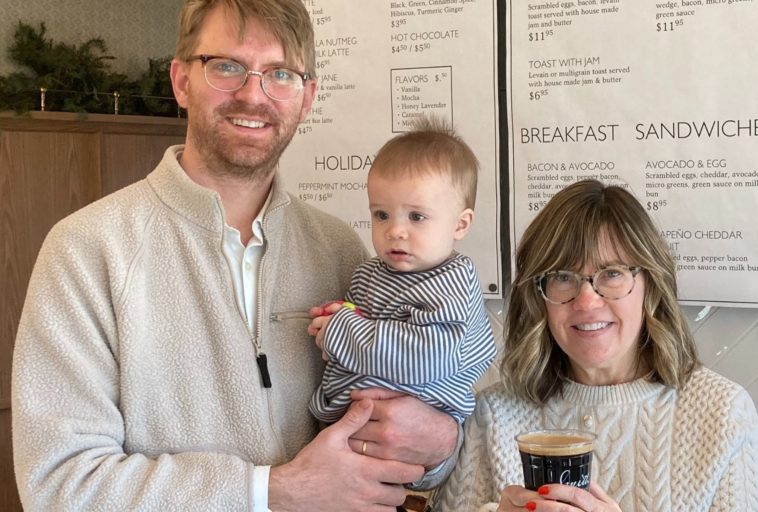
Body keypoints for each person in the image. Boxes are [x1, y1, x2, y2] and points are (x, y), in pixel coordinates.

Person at [11, 1, 458, 511]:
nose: (253, 94)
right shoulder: (87, 250)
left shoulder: (340, 249)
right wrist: (271, 491)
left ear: (306, 97)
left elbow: (401, 424)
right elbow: (58, 484)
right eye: (226, 67)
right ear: (181, 81)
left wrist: (441, 441)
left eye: (280, 74)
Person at [433, 180, 758, 512]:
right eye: (562, 277)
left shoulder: (721, 413)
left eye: (612, 273)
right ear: (539, 296)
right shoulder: (492, 416)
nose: (587, 301)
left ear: (650, 282)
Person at [308, 118, 496, 425]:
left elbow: (427, 358)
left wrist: (341, 332)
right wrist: (334, 318)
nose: (395, 230)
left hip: (412, 425)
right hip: (351, 418)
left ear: (460, 225)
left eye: (416, 217)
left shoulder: (452, 282)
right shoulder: (368, 274)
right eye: (381, 214)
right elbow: (357, 329)